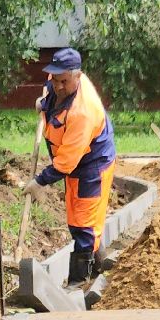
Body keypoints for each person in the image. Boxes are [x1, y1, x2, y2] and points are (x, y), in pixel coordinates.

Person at [35, 47, 116, 285]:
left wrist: (39, 181)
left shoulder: (83, 112)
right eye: (55, 79)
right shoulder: (58, 79)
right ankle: (99, 264)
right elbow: (50, 90)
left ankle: (78, 284)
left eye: (64, 81)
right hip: (75, 162)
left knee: (83, 223)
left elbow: (66, 163)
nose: (58, 86)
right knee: (78, 218)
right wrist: (43, 104)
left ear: (78, 76)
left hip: (92, 164)